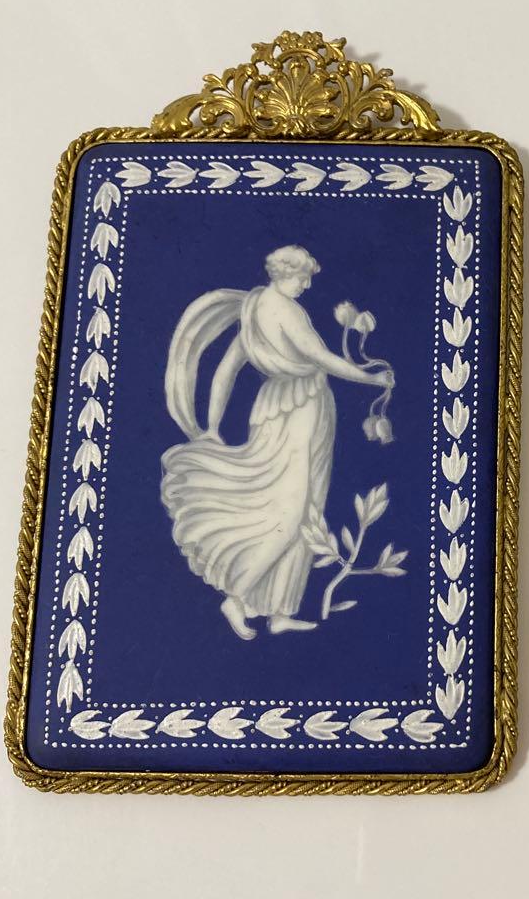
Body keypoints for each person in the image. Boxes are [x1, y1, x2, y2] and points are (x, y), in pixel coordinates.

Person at [160, 245, 393, 640]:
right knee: (291, 512)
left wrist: (213, 426)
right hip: (298, 408)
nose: (307, 285)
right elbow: (322, 358)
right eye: (304, 277)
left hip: (278, 406)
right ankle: (236, 596)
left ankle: (279, 610)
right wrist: (371, 378)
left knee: (306, 511)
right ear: (287, 273)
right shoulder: (286, 310)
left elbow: (226, 370)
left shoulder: (254, 307)